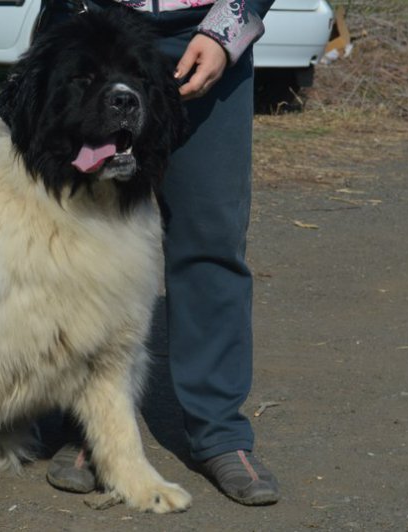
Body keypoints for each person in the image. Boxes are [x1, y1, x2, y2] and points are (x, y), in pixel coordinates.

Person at [44, 0, 280, 506]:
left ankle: (220, 432)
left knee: (210, 238)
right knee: (76, 238)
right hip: (93, 25)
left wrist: (224, 33)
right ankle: (84, 424)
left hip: (202, 32)